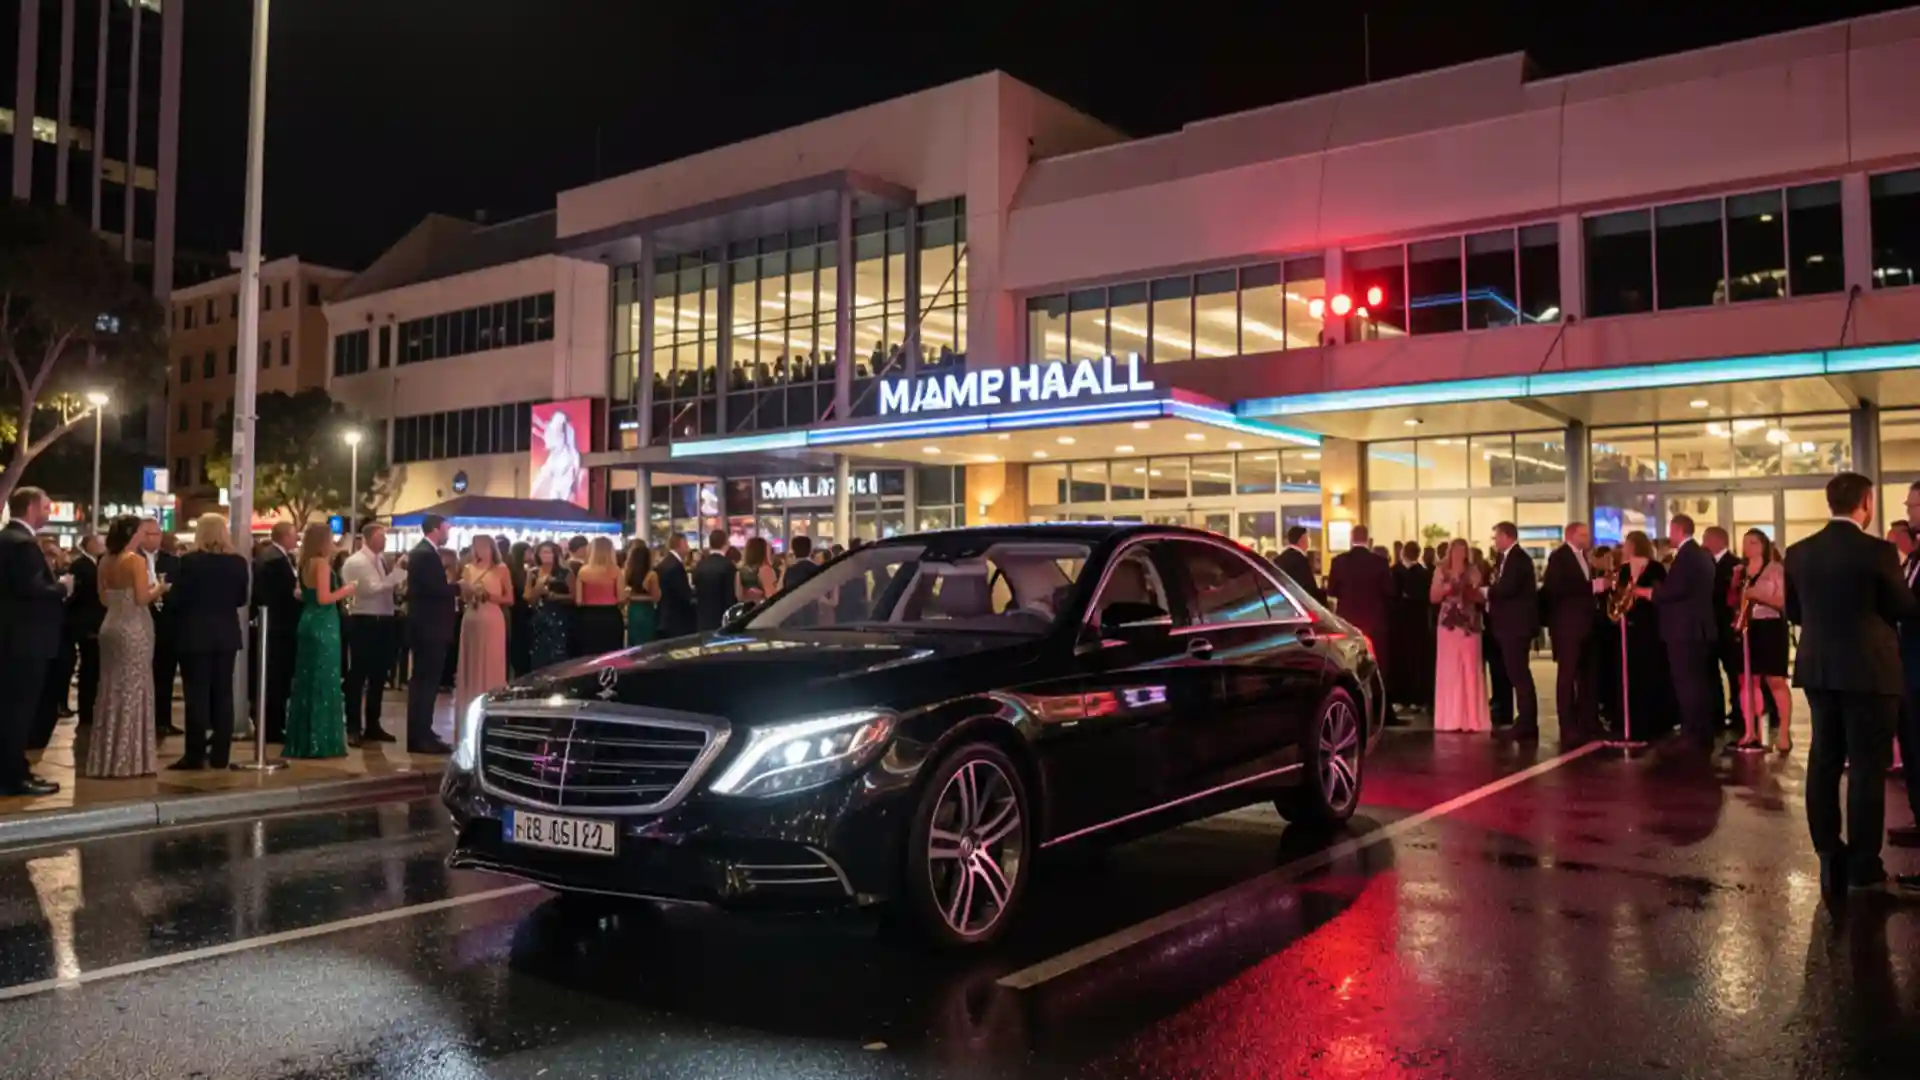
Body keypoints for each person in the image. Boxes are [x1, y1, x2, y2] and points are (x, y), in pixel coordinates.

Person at [1783, 471, 1919, 902]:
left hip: (1819, 668)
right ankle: (1864, 867)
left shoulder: (1799, 552)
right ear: (1865, 503)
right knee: (1865, 768)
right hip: (1870, 670)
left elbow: (1794, 611)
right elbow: (1902, 607)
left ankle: (1828, 855)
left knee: (1824, 759)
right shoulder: (1879, 551)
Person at [169, 513, 251, 769]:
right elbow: (241, 599)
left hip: (195, 634)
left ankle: (194, 754)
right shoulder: (238, 562)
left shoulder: (189, 562)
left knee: (197, 695)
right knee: (223, 694)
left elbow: (178, 598)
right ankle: (220, 754)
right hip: (226, 634)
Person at [0, 488, 68, 795]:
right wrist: (62, 587)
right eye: (45, 507)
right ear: (30, 508)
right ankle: (14, 777)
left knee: (10, 709)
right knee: (19, 711)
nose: (48, 513)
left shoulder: (5, 539)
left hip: (11, 638)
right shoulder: (23, 544)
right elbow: (32, 589)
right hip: (26, 641)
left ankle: (15, 770)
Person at [85, 515, 163, 778]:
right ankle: (130, 758)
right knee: (134, 689)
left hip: (110, 626)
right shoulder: (135, 561)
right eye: (142, 531)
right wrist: (160, 589)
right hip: (134, 627)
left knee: (111, 689)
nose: (145, 535)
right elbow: (142, 598)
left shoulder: (105, 560)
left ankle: (108, 757)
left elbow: (103, 598)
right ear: (133, 533)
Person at [1642, 513, 1719, 750]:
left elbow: (1672, 592)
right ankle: (1702, 729)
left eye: (1671, 530)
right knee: (1698, 681)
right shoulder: (1702, 556)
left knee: (1687, 682)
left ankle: (1692, 732)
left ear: (1678, 530)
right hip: (1699, 629)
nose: (1669, 535)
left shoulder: (1687, 557)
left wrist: (1648, 591)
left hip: (1684, 631)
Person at [283, 523, 354, 759]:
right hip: (324, 624)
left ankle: (302, 739)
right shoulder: (321, 564)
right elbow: (325, 597)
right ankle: (322, 741)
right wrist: (347, 590)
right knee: (325, 679)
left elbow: (303, 594)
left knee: (307, 679)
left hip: (308, 621)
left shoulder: (305, 563)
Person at [340, 523, 408, 746]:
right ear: (368, 538)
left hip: (384, 620)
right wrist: (398, 572)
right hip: (365, 621)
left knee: (379, 675)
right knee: (358, 675)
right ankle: (353, 726)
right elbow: (372, 588)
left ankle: (373, 723)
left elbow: (384, 587)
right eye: (381, 536)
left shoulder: (379, 560)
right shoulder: (358, 562)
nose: (385, 540)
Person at [1731, 528, 1791, 755]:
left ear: (1764, 545)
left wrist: (1757, 595)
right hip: (1747, 627)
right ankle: (1750, 731)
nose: (1749, 546)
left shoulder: (1775, 570)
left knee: (1775, 680)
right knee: (1747, 680)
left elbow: (1783, 602)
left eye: (1754, 542)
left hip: (1770, 627)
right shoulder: (1740, 571)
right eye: (1745, 542)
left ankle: (1783, 732)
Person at [1543, 522, 1603, 747]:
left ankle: (1588, 721)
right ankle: (1567, 726)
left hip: (1587, 625)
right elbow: (1556, 588)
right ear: (1570, 535)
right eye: (1582, 534)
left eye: (1587, 534)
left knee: (1587, 675)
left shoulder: (1584, 557)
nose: (1587, 537)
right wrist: (1592, 587)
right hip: (1568, 626)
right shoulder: (1559, 557)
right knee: (1567, 676)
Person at [1613, 531, 1676, 740]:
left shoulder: (1654, 568)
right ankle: (1631, 718)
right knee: (1631, 671)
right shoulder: (1624, 569)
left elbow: (1660, 595)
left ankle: (1650, 719)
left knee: (1647, 671)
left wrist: (1637, 592)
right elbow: (1617, 596)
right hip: (1628, 626)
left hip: (1649, 626)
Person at [1326, 525, 1394, 717]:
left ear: (1351, 538)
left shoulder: (1338, 562)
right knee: (1378, 666)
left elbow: (1331, 591)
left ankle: (1353, 708)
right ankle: (1381, 711)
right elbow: (1389, 591)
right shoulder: (1379, 562)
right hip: (1375, 621)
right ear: (1368, 539)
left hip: (1348, 622)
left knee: (1349, 666)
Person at [403, 516, 457, 755]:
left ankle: (423, 729)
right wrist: (458, 587)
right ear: (436, 529)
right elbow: (432, 589)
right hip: (429, 627)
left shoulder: (425, 552)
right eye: (446, 528)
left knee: (426, 681)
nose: (448, 532)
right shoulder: (425, 554)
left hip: (427, 625)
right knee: (426, 681)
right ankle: (420, 736)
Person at [1430, 538, 1491, 733]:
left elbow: (1480, 595)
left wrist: (1471, 590)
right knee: (1450, 669)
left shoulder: (1473, 570)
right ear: (1450, 552)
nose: (1459, 554)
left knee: (1471, 668)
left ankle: (1472, 718)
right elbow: (1433, 596)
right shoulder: (1441, 570)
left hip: (1469, 624)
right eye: (1456, 550)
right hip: (1448, 623)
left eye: (1463, 550)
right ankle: (1450, 718)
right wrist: (1449, 587)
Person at [1488, 522, 1541, 742]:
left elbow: (1506, 589)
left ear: (1507, 536)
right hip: (1510, 626)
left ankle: (1527, 723)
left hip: (1516, 627)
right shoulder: (1507, 559)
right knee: (1517, 674)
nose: (1494, 541)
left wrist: (1484, 591)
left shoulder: (1518, 559)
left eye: (1496, 537)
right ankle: (1526, 721)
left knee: (1519, 674)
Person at [251, 522, 301, 743]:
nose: (296, 539)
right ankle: (272, 726)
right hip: (278, 626)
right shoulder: (274, 560)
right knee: (276, 679)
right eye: (294, 535)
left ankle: (276, 723)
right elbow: (277, 594)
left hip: (277, 625)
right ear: (284, 537)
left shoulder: (276, 557)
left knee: (278, 679)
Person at [454, 534, 511, 724]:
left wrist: (489, 596)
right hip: (472, 617)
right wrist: (468, 593)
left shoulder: (501, 569)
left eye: (483, 546)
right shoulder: (468, 569)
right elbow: (463, 597)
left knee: (491, 660)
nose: (479, 550)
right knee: (472, 660)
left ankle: (492, 703)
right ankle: (468, 704)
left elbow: (509, 598)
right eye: (476, 546)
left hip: (493, 617)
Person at [56, 533, 105, 736]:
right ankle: (86, 711)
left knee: (94, 667)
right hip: (86, 624)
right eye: (100, 543)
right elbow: (77, 594)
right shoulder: (81, 565)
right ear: (90, 545)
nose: (103, 546)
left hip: (96, 623)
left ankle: (91, 708)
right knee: (89, 668)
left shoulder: (97, 562)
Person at [1895, 491, 1920, 847]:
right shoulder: (1913, 559)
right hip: (1908, 666)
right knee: (1914, 746)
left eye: (1912, 504)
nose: (1906, 509)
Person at [1703, 525, 1742, 734]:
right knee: (1711, 673)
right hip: (1710, 627)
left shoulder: (1735, 565)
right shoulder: (1705, 564)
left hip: (1728, 627)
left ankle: (1738, 713)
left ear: (1717, 541)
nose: (1703, 544)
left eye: (1705, 539)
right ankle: (1716, 714)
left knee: (1734, 672)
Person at [147, 524, 183, 740]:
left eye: (157, 534)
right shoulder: (132, 559)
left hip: (168, 625)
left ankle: (163, 720)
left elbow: (181, 589)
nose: (154, 538)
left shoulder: (172, 562)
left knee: (165, 674)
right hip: (142, 621)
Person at [1387, 541, 1432, 713]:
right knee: (1418, 660)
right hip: (1418, 624)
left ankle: (1401, 697)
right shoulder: (1424, 573)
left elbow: (1392, 596)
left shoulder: (1394, 572)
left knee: (1400, 660)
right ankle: (1418, 698)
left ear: (1403, 553)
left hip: (1399, 624)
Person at [572, 537, 626, 656]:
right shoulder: (616, 571)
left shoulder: (583, 571)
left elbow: (579, 601)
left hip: (589, 617)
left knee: (590, 655)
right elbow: (621, 598)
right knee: (611, 655)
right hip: (611, 616)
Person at [524, 541, 573, 669]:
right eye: (543, 552)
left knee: (558, 655)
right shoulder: (533, 573)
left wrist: (556, 596)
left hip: (559, 618)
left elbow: (576, 597)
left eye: (549, 552)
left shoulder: (566, 573)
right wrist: (538, 589)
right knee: (539, 655)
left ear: (555, 554)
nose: (546, 555)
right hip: (539, 618)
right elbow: (528, 598)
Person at [655, 534, 696, 639]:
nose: (688, 547)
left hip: (665, 616)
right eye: (686, 543)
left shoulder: (666, 562)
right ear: (679, 545)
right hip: (676, 619)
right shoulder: (675, 566)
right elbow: (683, 594)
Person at [694, 529, 735, 631]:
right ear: (725, 543)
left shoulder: (700, 565)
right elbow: (730, 595)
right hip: (722, 619)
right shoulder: (728, 565)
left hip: (703, 619)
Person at [623, 541, 660, 646]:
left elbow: (624, 594)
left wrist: (632, 597)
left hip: (633, 611)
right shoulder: (651, 575)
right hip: (646, 611)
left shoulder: (626, 573)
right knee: (647, 641)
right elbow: (656, 597)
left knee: (634, 640)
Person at [1274, 526, 1322, 603]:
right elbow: (1309, 588)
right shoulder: (1301, 560)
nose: (1309, 540)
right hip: (1300, 603)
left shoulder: (1279, 558)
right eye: (1307, 538)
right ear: (1302, 539)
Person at [506, 540, 532, 676]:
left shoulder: (526, 570)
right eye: (529, 551)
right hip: (517, 613)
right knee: (518, 644)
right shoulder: (513, 572)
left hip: (525, 613)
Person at [736, 537, 777, 607]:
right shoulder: (766, 570)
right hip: (763, 611)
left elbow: (739, 596)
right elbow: (771, 596)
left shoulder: (740, 571)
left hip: (747, 611)